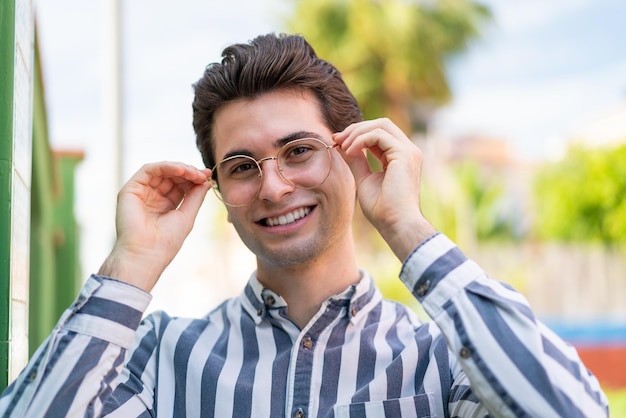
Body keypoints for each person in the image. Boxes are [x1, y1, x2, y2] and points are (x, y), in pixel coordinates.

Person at [0, 33, 608, 418]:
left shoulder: (439, 360)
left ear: (351, 153)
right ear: (217, 188)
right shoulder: (162, 360)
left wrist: (407, 227)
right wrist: (130, 264)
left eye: (298, 150)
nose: (273, 186)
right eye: (242, 166)